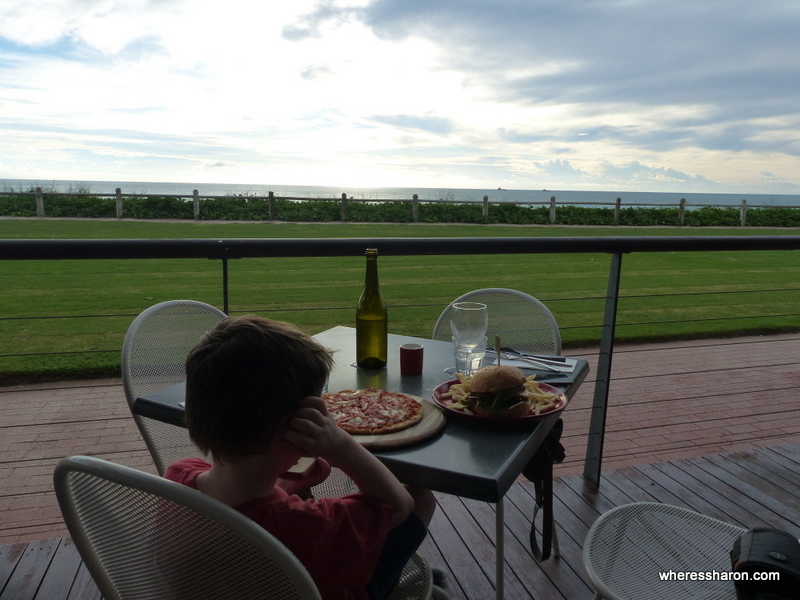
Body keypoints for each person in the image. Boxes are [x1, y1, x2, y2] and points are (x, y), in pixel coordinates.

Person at [164, 315, 436, 600]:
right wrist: (340, 445)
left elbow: (243, 505)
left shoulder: (178, 475)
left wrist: (285, 485)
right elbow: (400, 505)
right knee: (422, 495)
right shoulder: (305, 528)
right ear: (298, 425)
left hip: (227, 584)